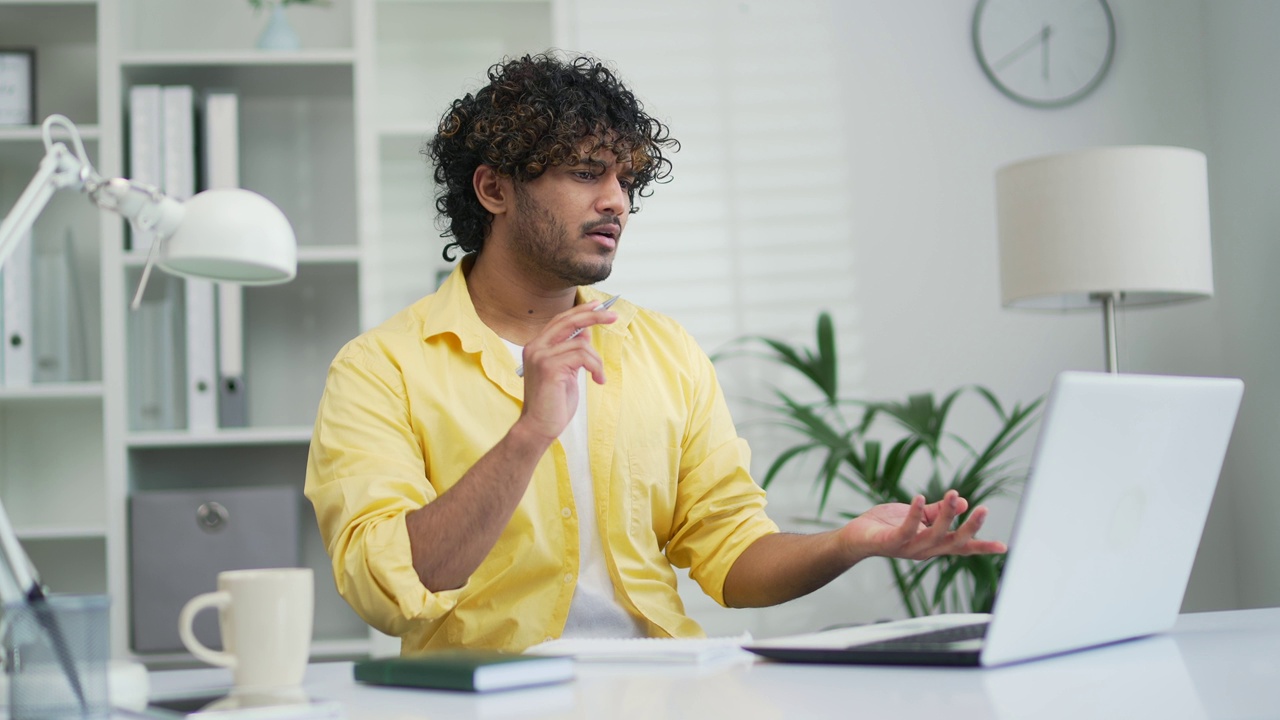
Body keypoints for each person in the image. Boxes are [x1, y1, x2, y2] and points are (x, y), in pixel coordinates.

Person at [304, 52, 1005, 654]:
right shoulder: (381, 369)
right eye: (585, 173)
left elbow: (731, 557)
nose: (617, 202)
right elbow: (384, 588)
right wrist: (528, 434)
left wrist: (847, 544)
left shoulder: (663, 351)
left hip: (665, 691)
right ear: (494, 189)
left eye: (627, 182)